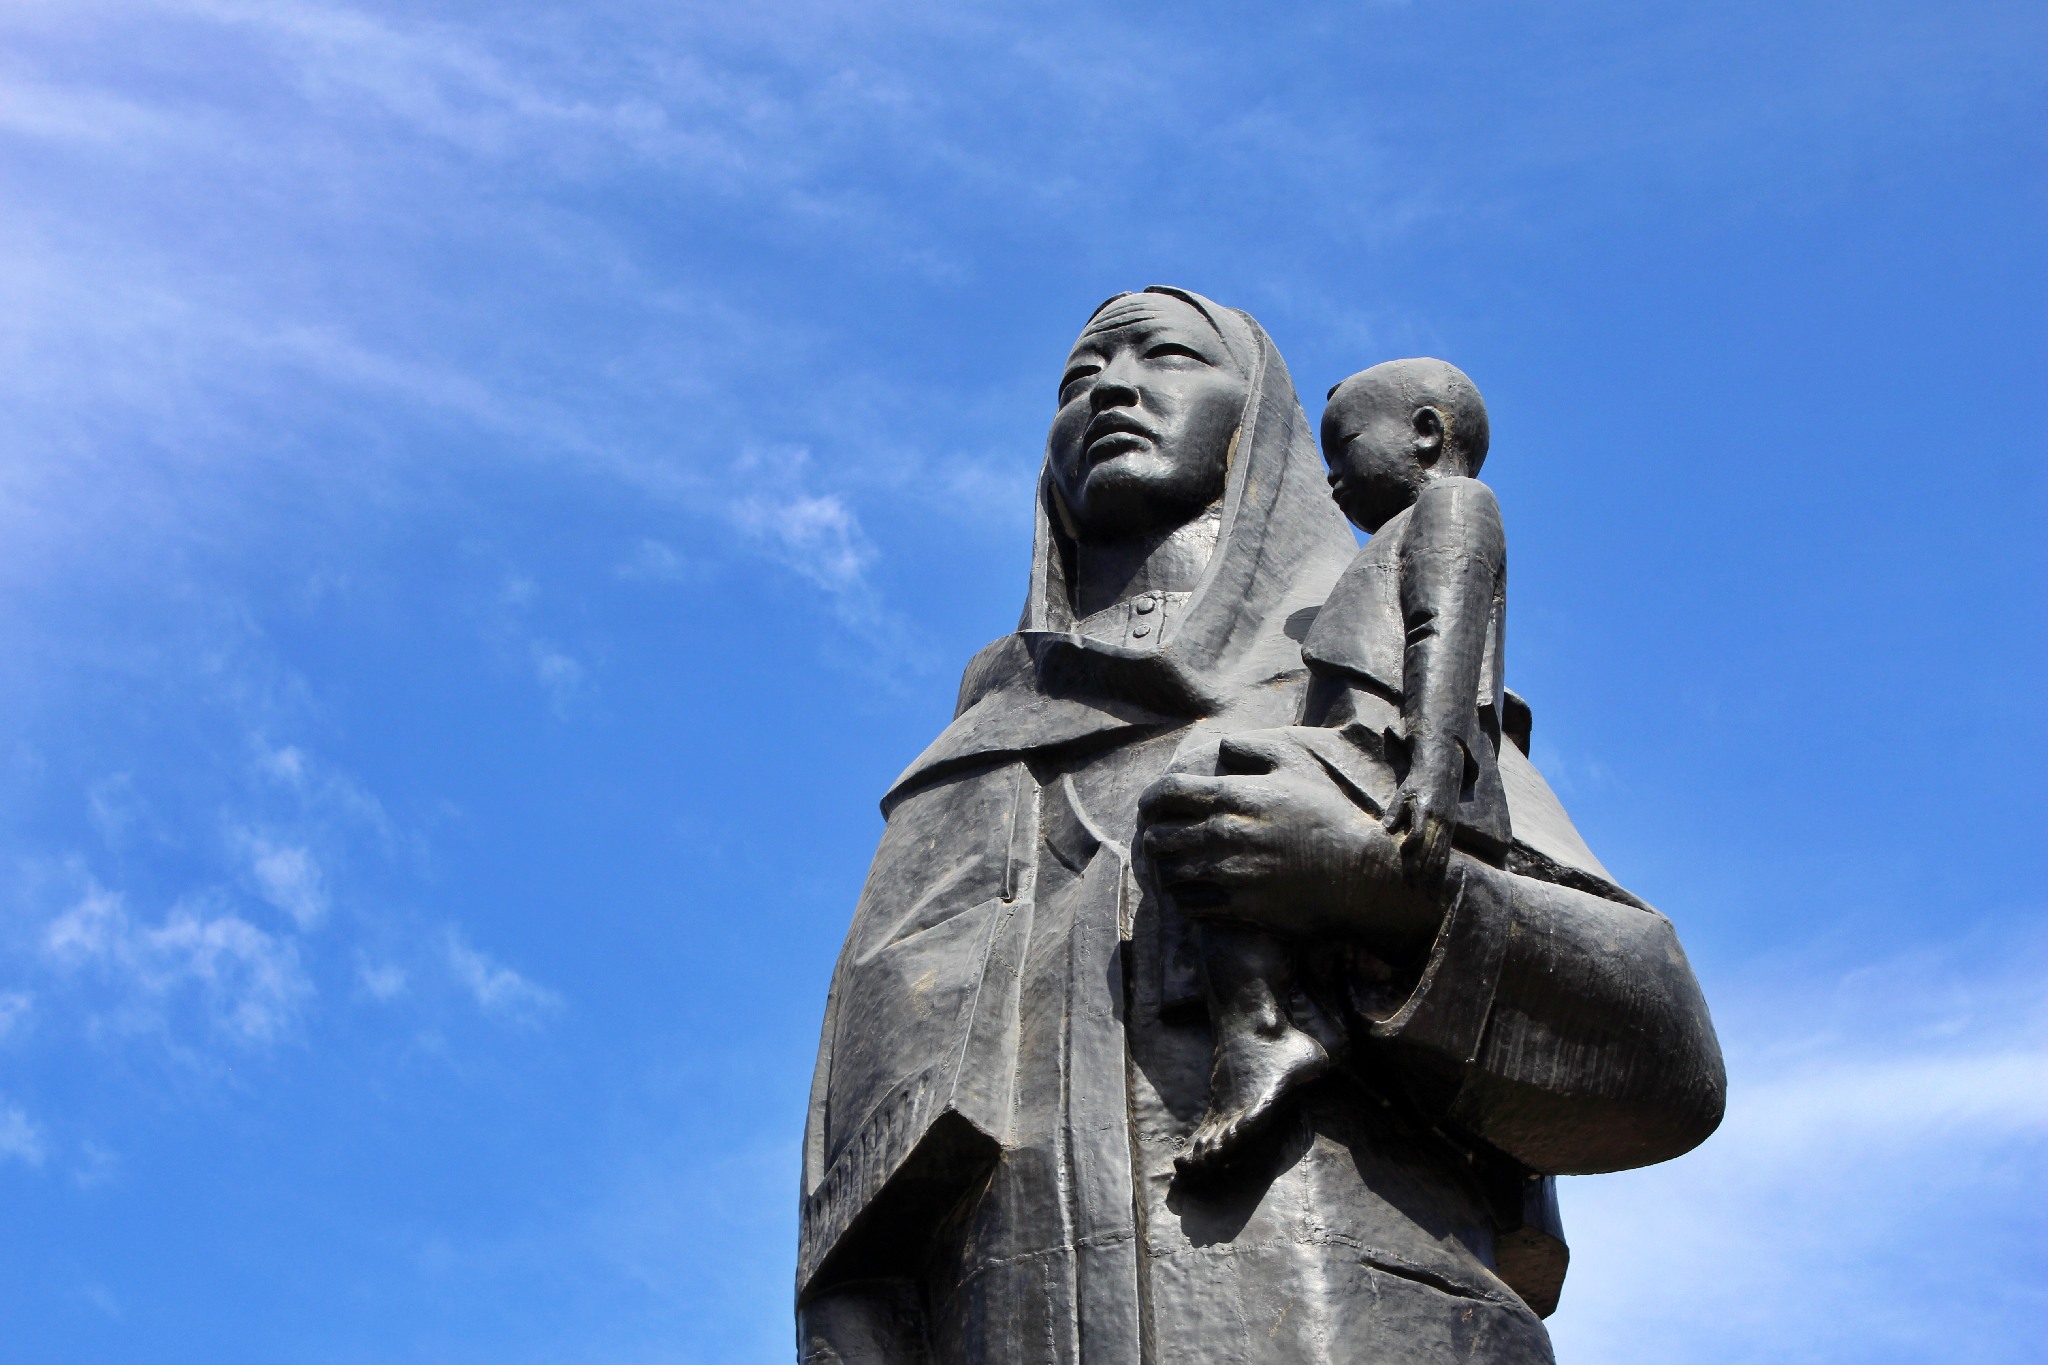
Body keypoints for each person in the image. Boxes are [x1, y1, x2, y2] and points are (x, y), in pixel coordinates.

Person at [797, 287, 1725, 1365]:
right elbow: (853, 1240)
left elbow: (1666, 1057)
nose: (1114, 387)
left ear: (1264, 434)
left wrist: (1379, 889)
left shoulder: (1341, 697)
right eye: (1078, 377)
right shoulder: (964, 781)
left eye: (1169, 356)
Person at [1177, 356, 1511, 1174]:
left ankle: (1264, 1033)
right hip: (1362, 751)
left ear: (1425, 435)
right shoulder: (1409, 525)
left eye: (1345, 449)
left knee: (1207, 798)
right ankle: (1269, 1023)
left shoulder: (1457, 508)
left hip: (1392, 758)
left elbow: (1442, 629)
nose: (1331, 483)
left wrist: (1431, 770)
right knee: (1216, 807)